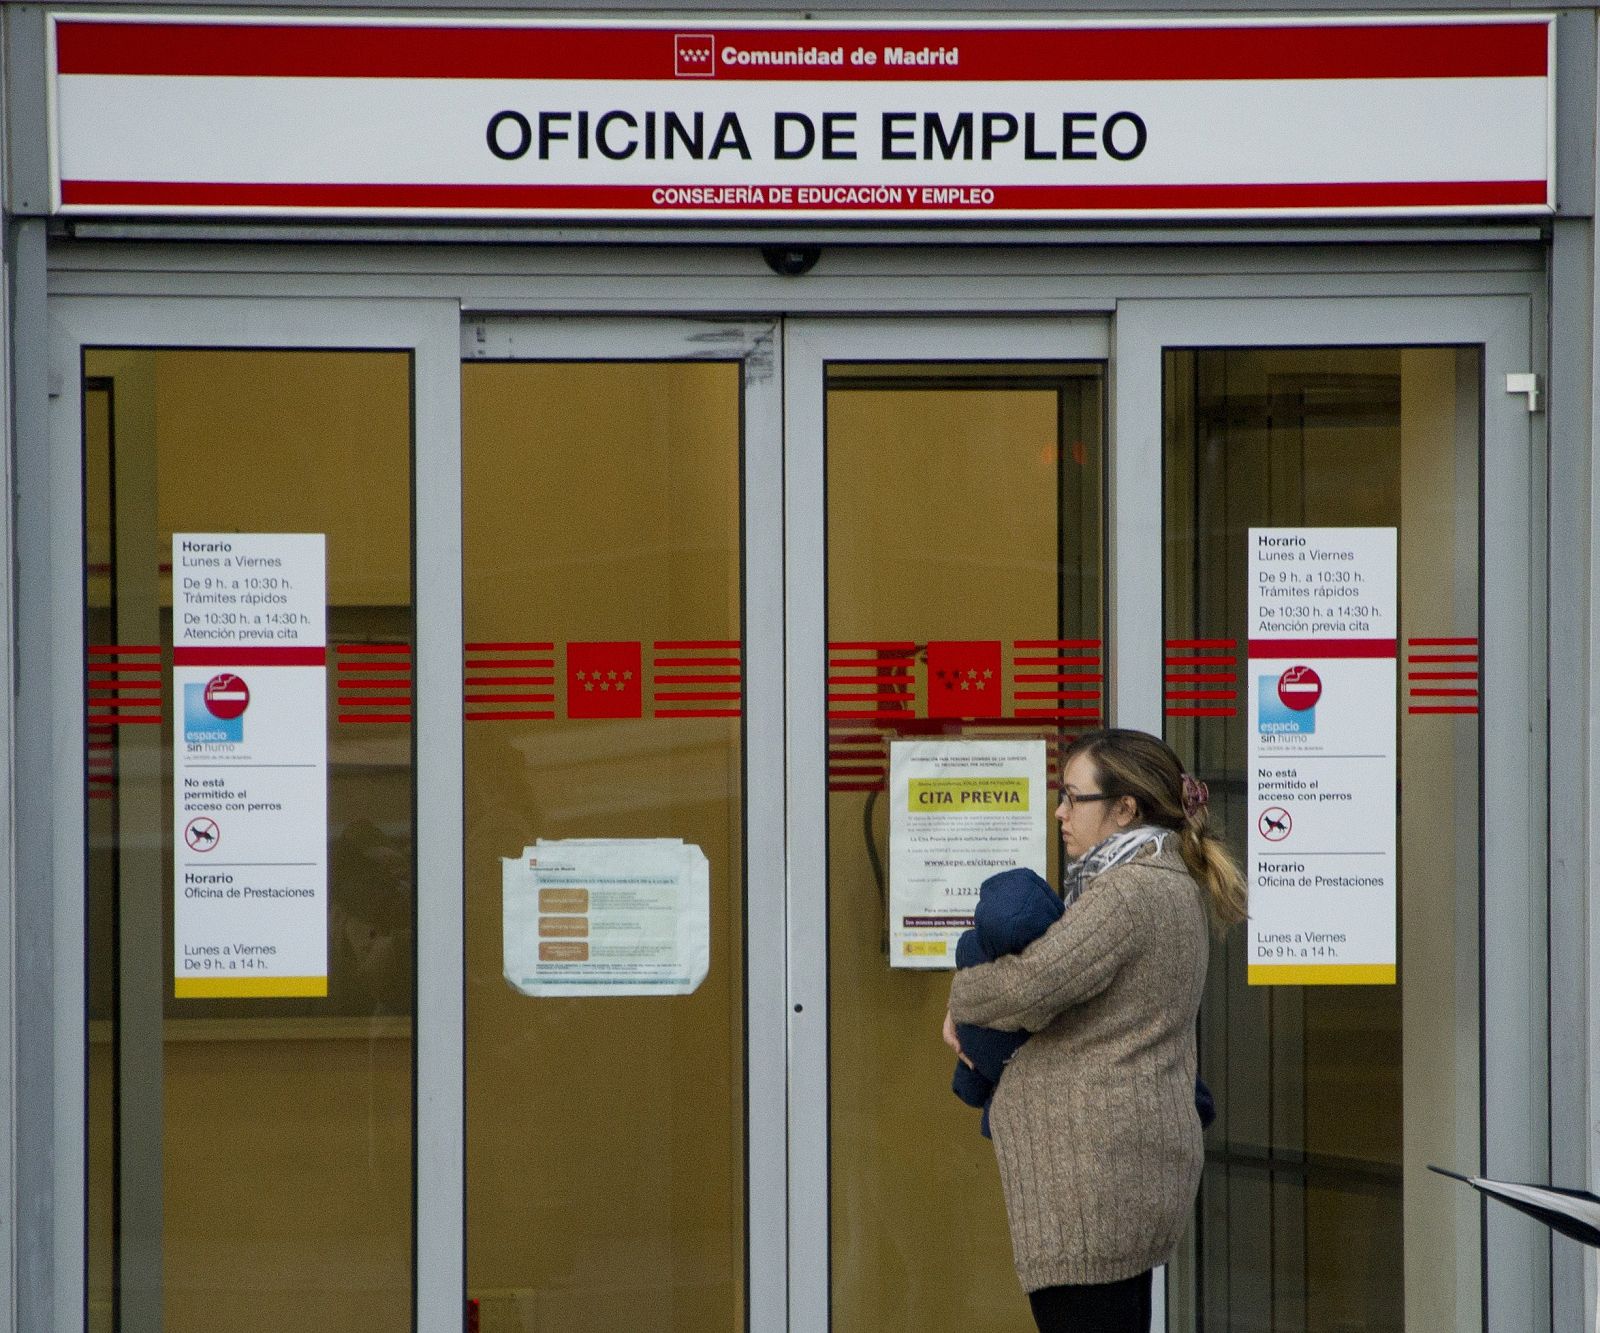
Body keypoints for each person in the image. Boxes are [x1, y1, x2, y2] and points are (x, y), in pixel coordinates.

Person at [943, 728, 1246, 1333]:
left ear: (1124, 809)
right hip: (1120, 1169)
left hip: (1093, 1183)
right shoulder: (1161, 880)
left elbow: (1029, 988)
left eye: (1072, 797)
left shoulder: (1130, 893)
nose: (1059, 811)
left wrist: (961, 995)